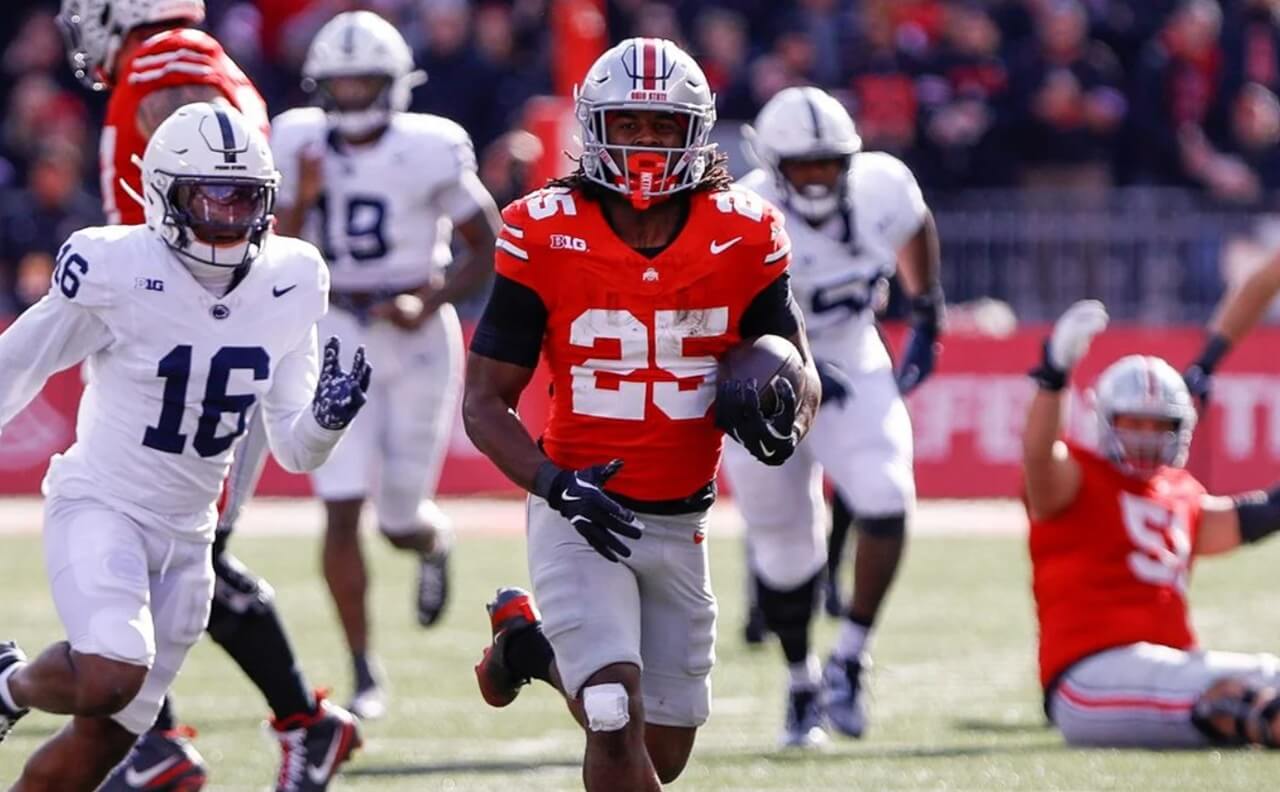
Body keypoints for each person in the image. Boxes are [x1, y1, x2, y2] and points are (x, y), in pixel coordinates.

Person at [464, 38, 820, 790]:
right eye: (628, 123)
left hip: (682, 516)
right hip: (579, 508)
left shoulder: (745, 232)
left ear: (698, 132)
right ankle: (558, 655)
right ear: (595, 127)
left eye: (663, 126)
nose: (645, 143)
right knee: (610, 710)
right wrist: (554, 484)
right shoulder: (542, 230)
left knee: (664, 750)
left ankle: (527, 648)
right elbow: (484, 401)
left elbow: (801, 366)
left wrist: (786, 416)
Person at [0, 103, 369, 792]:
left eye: (243, 199)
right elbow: (17, 365)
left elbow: (295, 450)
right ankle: (9, 684)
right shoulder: (115, 266)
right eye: (211, 198)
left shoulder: (292, 277)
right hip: (103, 505)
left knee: (102, 744)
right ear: (164, 195)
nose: (228, 217)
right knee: (110, 674)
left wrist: (327, 421)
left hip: (190, 539)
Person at [272, 10, 499, 720]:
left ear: (394, 83)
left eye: (364, 81)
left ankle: (431, 543)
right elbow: (277, 249)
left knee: (400, 516)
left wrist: (428, 299)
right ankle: (363, 669)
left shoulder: (430, 146)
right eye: (340, 83)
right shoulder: (297, 138)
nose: (350, 95)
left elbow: (486, 243)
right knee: (339, 507)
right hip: (335, 326)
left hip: (415, 335)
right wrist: (304, 195)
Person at [725, 86, 943, 746]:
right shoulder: (743, 211)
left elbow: (915, 223)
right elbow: (725, 319)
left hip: (854, 352)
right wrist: (800, 362)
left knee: (887, 496)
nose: (819, 178)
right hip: (761, 374)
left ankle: (851, 656)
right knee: (785, 549)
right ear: (773, 164)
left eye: (829, 163)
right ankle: (802, 683)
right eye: (804, 166)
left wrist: (927, 308)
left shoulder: (882, 186)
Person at [1024, 299, 1280, 748]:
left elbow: (1256, 515)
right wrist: (1053, 375)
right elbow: (1038, 456)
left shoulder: (1181, 493)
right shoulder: (1077, 478)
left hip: (1171, 668)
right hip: (1089, 674)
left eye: (1159, 425)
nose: (1146, 436)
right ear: (1105, 420)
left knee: (1268, 672)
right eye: (1133, 422)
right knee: (1222, 694)